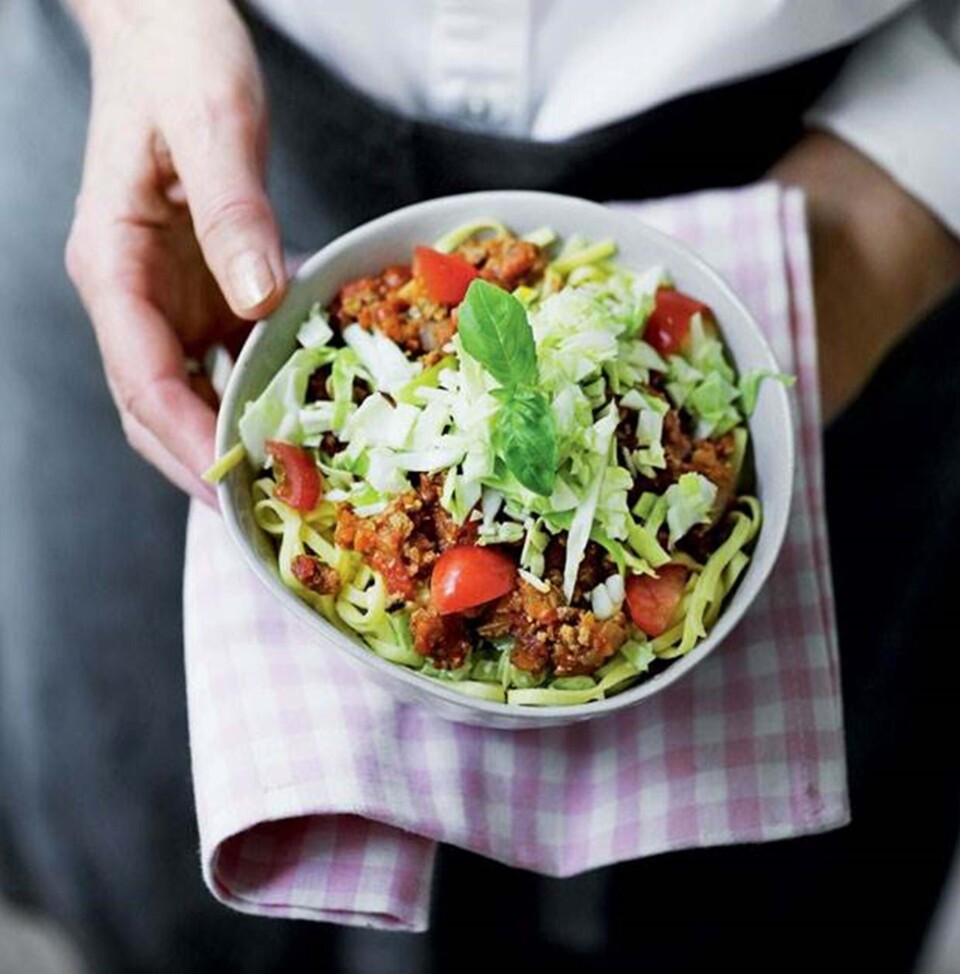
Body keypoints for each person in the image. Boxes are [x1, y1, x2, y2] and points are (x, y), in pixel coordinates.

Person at [1, 0, 959, 970]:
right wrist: (139, 25)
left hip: (826, 163)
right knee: (158, 846)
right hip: (195, 130)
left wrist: (912, 175)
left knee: (744, 922)